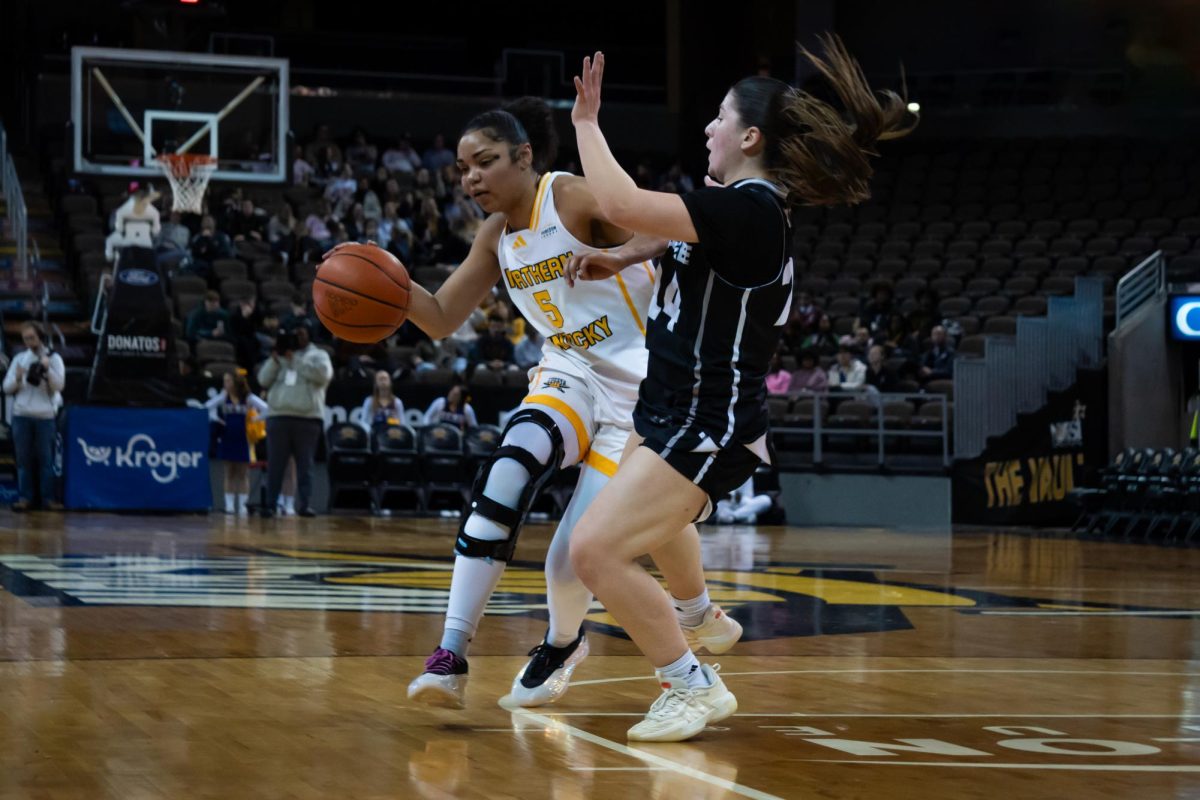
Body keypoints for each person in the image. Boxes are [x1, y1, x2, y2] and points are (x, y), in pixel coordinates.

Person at [329, 98, 737, 712]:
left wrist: (622, 253)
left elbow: (669, 226)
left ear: (523, 157)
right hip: (570, 373)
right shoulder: (494, 236)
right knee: (505, 473)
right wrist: (382, 278)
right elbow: (440, 318)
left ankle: (566, 642)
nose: (471, 178)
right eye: (463, 168)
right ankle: (449, 654)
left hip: (641, 390)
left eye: (485, 162)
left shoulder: (568, 196)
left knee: (572, 559)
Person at [562, 38, 915, 741]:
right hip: (670, 407)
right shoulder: (737, 209)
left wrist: (586, 123)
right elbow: (675, 236)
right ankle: (700, 615)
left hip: (708, 421)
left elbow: (622, 200)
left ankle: (691, 684)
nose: (707, 129)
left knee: (593, 551)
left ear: (750, 137)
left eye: (719, 118)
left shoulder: (750, 213)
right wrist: (624, 255)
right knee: (657, 521)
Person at [256, 324, 333, 518]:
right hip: (278, 416)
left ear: (308, 335)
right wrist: (275, 360)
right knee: (275, 464)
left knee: (305, 465)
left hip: (307, 417)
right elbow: (263, 380)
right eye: (294, 334)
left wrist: (295, 360)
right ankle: (270, 504)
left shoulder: (319, 355)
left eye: (300, 334)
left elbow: (323, 376)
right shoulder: (280, 356)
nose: (297, 338)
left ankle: (304, 505)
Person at [2, 322, 65, 511]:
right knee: (23, 460)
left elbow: (59, 385)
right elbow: (6, 388)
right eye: (25, 339)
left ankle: (48, 499)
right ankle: (25, 497)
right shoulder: (20, 359)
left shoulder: (54, 359)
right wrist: (18, 379)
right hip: (21, 414)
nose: (29, 342)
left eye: (32, 338)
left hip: (45, 416)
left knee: (46, 460)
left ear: (40, 337)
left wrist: (47, 370)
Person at [205, 371, 268, 515]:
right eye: (224, 381)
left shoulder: (249, 398)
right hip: (228, 436)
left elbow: (267, 409)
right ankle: (229, 506)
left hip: (243, 438)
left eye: (228, 381)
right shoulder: (223, 397)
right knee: (229, 472)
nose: (225, 384)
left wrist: (255, 420)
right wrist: (215, 419)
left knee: (243, 473)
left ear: (236, 382)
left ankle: (242, 506)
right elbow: (206, 407)